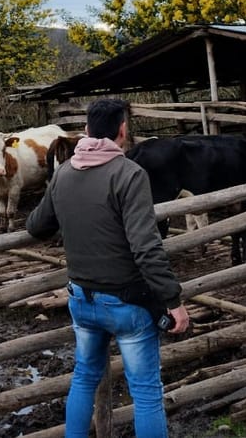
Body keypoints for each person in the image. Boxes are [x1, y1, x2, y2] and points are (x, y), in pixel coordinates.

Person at [26, 97, 190, 438]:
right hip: (126, 303)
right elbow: (146, 248)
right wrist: (173, 301)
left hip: (81, 300)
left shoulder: (65, 173)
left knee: (84, 378)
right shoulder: (129, 174)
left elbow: (37, 226)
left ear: (86, 131)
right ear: (123, 131)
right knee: (145, 393)